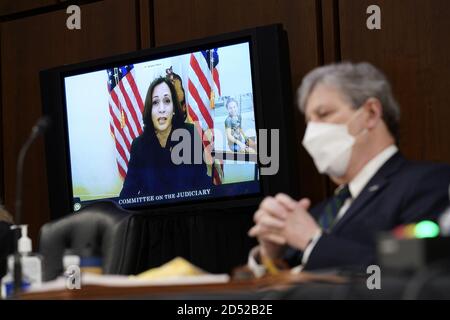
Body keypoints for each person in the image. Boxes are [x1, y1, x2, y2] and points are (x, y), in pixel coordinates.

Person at [248, 62, 450, 273]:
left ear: (371, 113)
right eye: (309, 122)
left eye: (323, 114)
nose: (312, 133)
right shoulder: (318, 213)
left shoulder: (429, 184)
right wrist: (270, 255)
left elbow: (414, 272)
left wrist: (313, 242)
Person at [119, 76, 211, 199]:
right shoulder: (139, 145)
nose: (161, 109)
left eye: (167, 101)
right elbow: (128, 194)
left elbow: (202, 183)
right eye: (155, 102)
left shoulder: (189, 133)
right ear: (150, 110)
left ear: (173, 108)